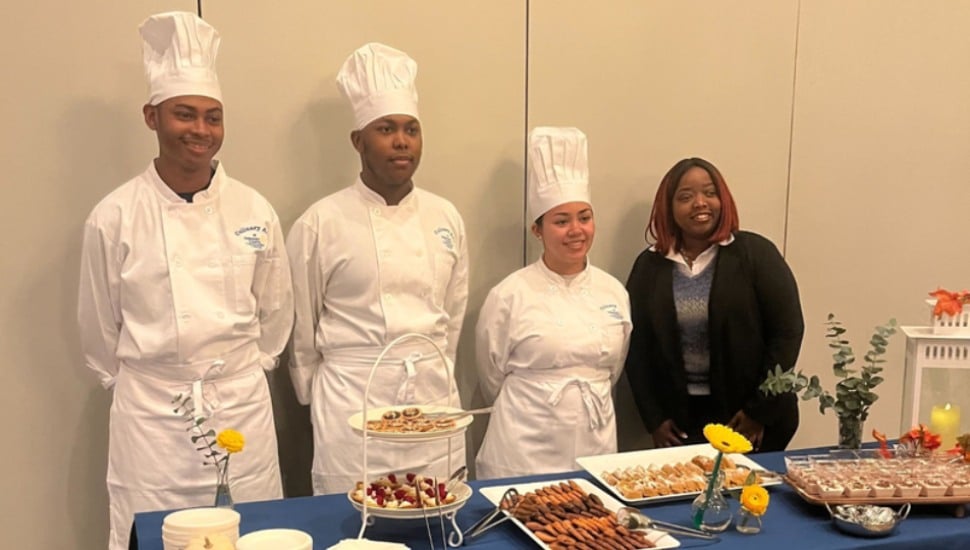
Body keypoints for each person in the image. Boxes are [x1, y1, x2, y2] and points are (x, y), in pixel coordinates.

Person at [77, 12, 293, 549]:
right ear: (152, 117)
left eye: (213, 117)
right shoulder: (115, 215)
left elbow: (276, 313)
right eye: (184, 114)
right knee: (153, 534)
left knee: (255, 532)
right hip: (152, 418)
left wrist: (240, 374)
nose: (201, 130)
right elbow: (99, 330)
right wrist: (154, 383)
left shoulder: (254, 208)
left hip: (239, 401)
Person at [287, 43, 469, 495]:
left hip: (430, 399)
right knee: (352, 521)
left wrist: (437, 370)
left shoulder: (445, 217)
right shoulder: (320, 223)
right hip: (352, 401)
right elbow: (300, 330)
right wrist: (319, 398)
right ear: (358, 140)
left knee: (436, 512)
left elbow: (454, 314)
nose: (401, 141)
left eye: (411, 129)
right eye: (386, 129)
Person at [475, 127, 631, 479]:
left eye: (584, 217)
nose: (576, 230)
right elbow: (491, 375)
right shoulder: (510, 294)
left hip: (596, 442)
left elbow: (613, 371)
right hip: (523, 446)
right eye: (561, 221)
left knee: (584, 531)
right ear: (538, 230)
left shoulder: (614, 292)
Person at [624, 157, 803, 452]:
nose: (700, 203)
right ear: (668, 207)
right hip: (682, 422)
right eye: (685, 197)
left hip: (750, 417)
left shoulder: (755, 254)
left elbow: (787, 333)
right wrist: (653, 418)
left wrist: (759, 411)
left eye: (710, 193)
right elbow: (636, 347)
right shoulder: (649, 266)